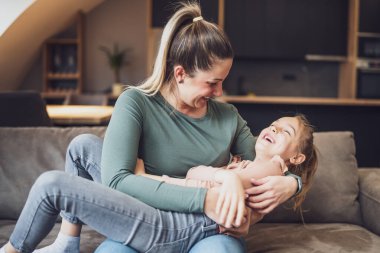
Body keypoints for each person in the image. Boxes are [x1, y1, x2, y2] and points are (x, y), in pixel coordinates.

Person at [0, 2, 301, 253]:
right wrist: (208, 195)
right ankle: (67, 242)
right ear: (180, 73)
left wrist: (292, 184)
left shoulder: (228, 117)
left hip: (201, 227)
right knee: (82, 146)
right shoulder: (136, 103)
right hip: (151, 210)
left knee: (54, 183)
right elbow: (118, 181)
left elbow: (268, 164)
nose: (220, 92)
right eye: (212, 82)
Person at [136, 115, 318, 216]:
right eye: (273, 125)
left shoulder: (272, 168)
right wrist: (224, 171)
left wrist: (147, 180)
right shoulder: (250, 165)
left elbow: (204, 188)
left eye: (285, 131)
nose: (274, 129)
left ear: (296, 158)